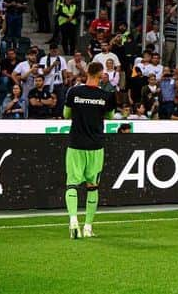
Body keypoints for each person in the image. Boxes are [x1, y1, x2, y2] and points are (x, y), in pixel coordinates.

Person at [63, 61, 115, 239]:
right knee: (92, 186)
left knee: (72, 183)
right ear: (101, 75)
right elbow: (109, 116)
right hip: (95, 145)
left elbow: (66, 114)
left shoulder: (74, 92)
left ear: (87, 73)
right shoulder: (106, 96)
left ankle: (73, 221)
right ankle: (88, 227)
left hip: (76, 143)